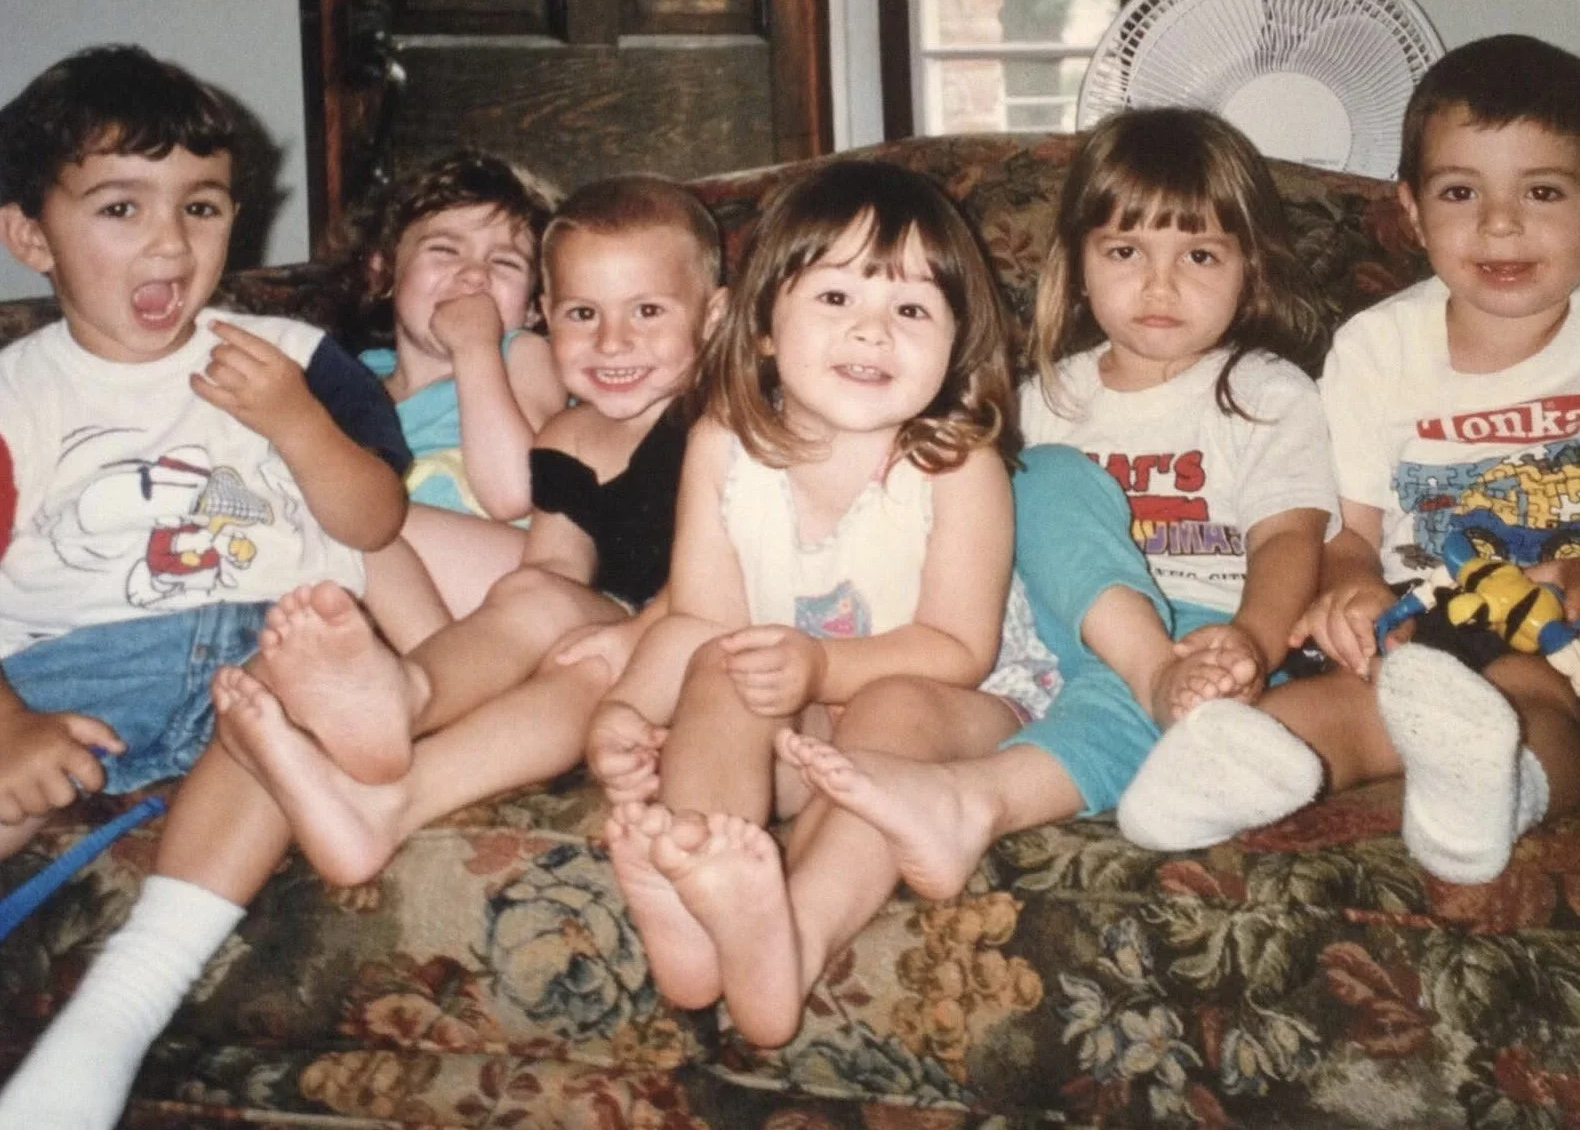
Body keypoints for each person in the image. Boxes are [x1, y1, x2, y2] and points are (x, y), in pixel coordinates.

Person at [765, 110, 1339, 1019]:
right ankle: (781, 919)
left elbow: (1288, 539)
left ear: (1251, 268)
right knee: (1040, 474)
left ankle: (974, 802)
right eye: (1126, 252)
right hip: (1035, 638)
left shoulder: (1266, 392)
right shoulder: (1044, 399)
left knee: (1130, 697)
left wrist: (1252, 642)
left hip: (1196, 627)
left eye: (1199, 255)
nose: (1160, 283)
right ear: (1075, 263)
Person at [0, 45, 410, 1126]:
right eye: (120, 208)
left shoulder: (295, 358)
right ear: (31, 236)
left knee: (286, 718)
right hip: (74, 677)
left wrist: (295, 423)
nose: (171, 243)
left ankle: (112, 1016)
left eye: (202, 205)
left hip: (272, 653)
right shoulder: (14, 395)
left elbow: (374, 520)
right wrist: (6, 724)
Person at [1118, 35, 1580, 886]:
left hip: (1555, 642)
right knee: (1357, 699)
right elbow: (1349, 532)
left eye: (1543, 191)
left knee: (1534, 703)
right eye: (1461, 192)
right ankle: (1219, 770)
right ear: (1412, 211)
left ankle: (1496, 790)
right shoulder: (1377, 348)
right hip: (1422, 626)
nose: (1501, 222)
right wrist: (1354, 586)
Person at [585, 159, 1021, 1047]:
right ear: (764, 325)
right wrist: (624, 711)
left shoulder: (956, 465)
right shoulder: (722, 446)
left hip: (956, 711)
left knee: (892, 706)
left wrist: (821, 666)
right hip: (803, 732)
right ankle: (700, 892)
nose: (872, 330)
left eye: (911, 309)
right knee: (724, 665)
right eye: (835, 297)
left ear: (956, 344)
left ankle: (796, 938)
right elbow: (700, 624)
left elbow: (960, 648)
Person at [204, 173, 725, 888]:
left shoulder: (724, 421)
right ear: (550, 315)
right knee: (546, 612)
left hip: (698, 630)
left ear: (715, 316)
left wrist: (636, 636)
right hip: (606, 630)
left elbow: (735, 574)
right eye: (583, 313)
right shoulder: (569, 435)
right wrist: (564, 632)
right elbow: (554, 568)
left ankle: (406, 725)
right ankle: (396, 752)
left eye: (647, 311)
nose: (612, 341)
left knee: (584, 659)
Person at [344, 150, 567, 620]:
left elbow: (514, 492)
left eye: (505, 262)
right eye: (445, 250)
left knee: (346, 518)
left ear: (533, 308)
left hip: (521, 579)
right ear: (383, 273)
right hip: (405, 603)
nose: (474, 274)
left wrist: (475, 349)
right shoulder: (350, 384)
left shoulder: (522, 355)